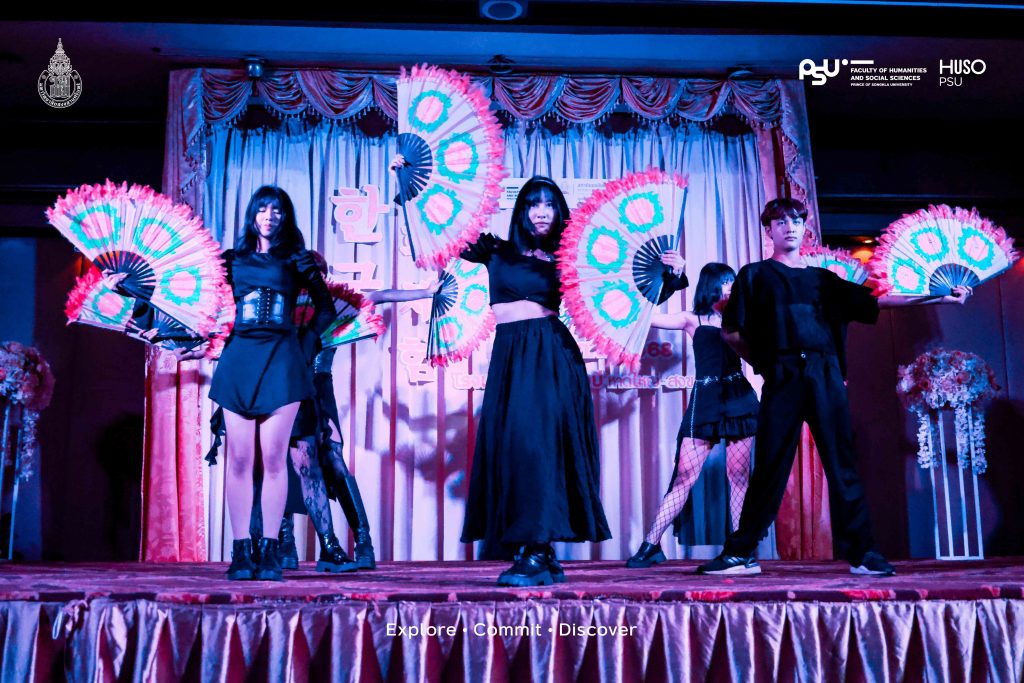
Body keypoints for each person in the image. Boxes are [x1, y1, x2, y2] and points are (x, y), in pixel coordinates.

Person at [697, 198, 972, 577]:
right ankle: (741, 553)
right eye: (781, 222)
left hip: (824, 374)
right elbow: (731, 332)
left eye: (796, 221)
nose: (789, 227)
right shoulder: (754, 275)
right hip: (783, 375)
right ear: (769, 230)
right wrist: (766, 364)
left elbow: (876, 301)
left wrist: (940, 296)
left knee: (842, 464)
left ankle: (863, 554)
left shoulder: (822, 279)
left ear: (804, 228)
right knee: (770, 465)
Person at [454, 175, 612, 586]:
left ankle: (537, 549)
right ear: (521, 211)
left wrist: (671, 275)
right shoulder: (497, 251)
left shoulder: (569, 258)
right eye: (533, 203)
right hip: (510, 357)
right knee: (516, 448)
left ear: (560, 212)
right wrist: (407, 186)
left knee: (540, 449)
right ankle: (539, 549)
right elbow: (442, 236)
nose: (541, 212)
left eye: (549, 204)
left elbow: (625, 290)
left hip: (550, 356)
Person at [626, 262, 759, 569]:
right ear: (711, 284)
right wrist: (668, 278)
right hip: (706, 401)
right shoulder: (691, 318)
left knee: (738, 477)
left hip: (738, 398)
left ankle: (741, 549)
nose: (731, 286)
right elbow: (645, 316)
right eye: (726, 281)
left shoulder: (742, 318)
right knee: (684, 476)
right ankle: (650, 545)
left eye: (733, 281)